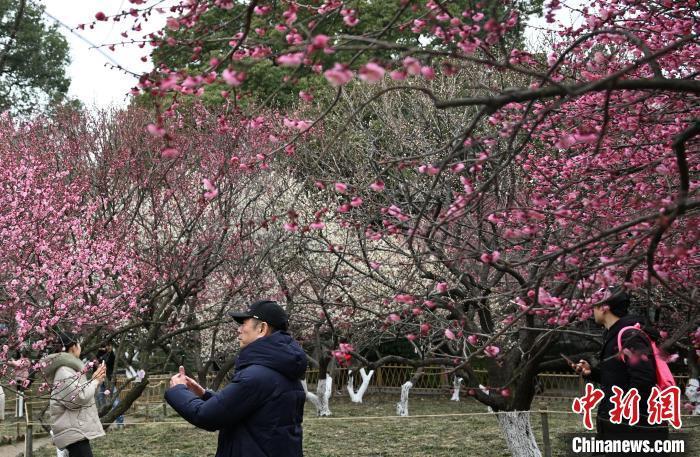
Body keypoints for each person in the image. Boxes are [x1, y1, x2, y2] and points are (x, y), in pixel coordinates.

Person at [165, 299, 307, 457]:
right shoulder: (281, 369)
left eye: (244, 324)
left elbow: (206, 416)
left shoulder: (257, 375)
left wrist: (178, 390)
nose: (238, 330)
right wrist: (205, 395)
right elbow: (247, 408)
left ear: (262, 328)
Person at [572, 287, 668, 456]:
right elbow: (620, 379)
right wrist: (592, 373)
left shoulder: (628, 336)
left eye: (594, 305)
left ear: (604, 308)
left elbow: (644, 380)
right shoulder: (615, 334)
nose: (592, 310)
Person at [41, 332, 106, 457]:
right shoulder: (64, 371)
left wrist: (95, 381)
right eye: (79, 344)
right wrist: (95, 381)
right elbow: (77, 398)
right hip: (73, 432)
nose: (81, 347)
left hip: (75, 430)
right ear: (73, 347)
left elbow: (81, 393)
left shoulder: (69, 370)